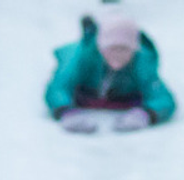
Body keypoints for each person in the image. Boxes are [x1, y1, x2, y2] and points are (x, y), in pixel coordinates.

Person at [45, 13, 175, 134]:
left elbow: (162, 97)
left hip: (118, 97)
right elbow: (58, 87)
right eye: (112, 48)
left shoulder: (142, 62)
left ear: (134, 50)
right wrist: (64, 111)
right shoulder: (79, 57)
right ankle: (89, 31)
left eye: (124, 49)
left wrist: (147, 114)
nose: (118, 54)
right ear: (101, 48)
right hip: (87, 94)